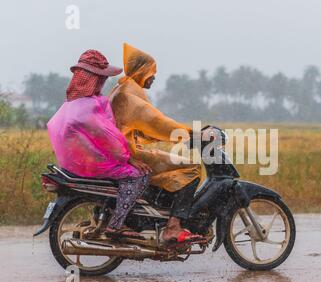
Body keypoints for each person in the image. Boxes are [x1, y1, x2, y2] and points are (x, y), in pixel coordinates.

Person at [47, 49, 151, 240]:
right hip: (92, 165)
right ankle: (117, 224)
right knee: (139, 175)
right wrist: (128, 158)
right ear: (91, 79)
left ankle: (107, 215)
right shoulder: (88, 107)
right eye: (100, 78)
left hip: (74, 164)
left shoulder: (70, 105)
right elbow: (110, 139)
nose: (103, 82)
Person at [109, 43, 204, 243]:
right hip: (132, 154)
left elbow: (140, 128)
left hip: (125, 151)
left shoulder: (122, 89)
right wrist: (189, 133)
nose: (154, 77)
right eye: (152, 72)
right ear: (142, 71)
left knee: (170, 160)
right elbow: (157, 122)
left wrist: (163, 136)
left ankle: (159, 211)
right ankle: (173, 227)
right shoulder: (129, 94)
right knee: (192, 166)